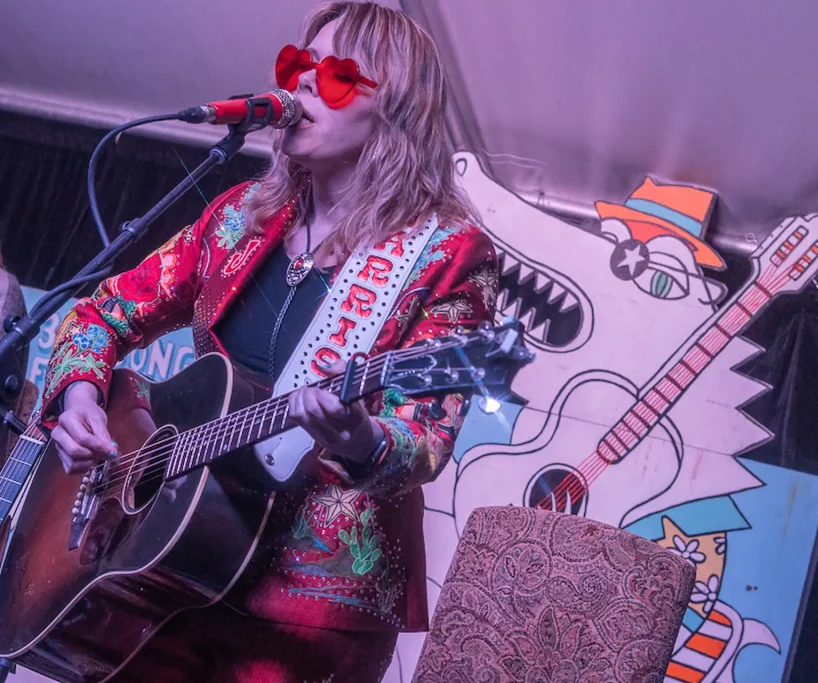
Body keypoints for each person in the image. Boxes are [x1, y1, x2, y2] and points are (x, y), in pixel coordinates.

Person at [39, 2, 497, 681]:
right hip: (175, 560)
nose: (304, 83)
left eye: (337, 76)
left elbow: (424, 437)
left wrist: (361, 439)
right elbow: (101, 313)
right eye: (297, 65)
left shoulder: (448, 253)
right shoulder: (238, 220)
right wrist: (79, 396)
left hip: (308, 612)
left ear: (397, 112)